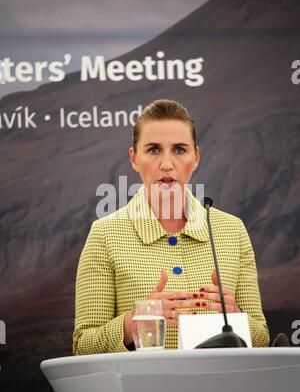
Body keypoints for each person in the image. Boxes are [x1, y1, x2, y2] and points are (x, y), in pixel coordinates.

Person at [73, 99, 269, 354]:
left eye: (179, 150)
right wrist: (135, 322)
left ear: (196, 157)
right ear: (134, 159)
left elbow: (262, 338)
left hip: (221, 389)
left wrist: (235, 315)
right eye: (153, 150)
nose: (166, 164)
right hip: (141, 391)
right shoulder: (105, 234)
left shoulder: (232, 230)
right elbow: (82, 345)